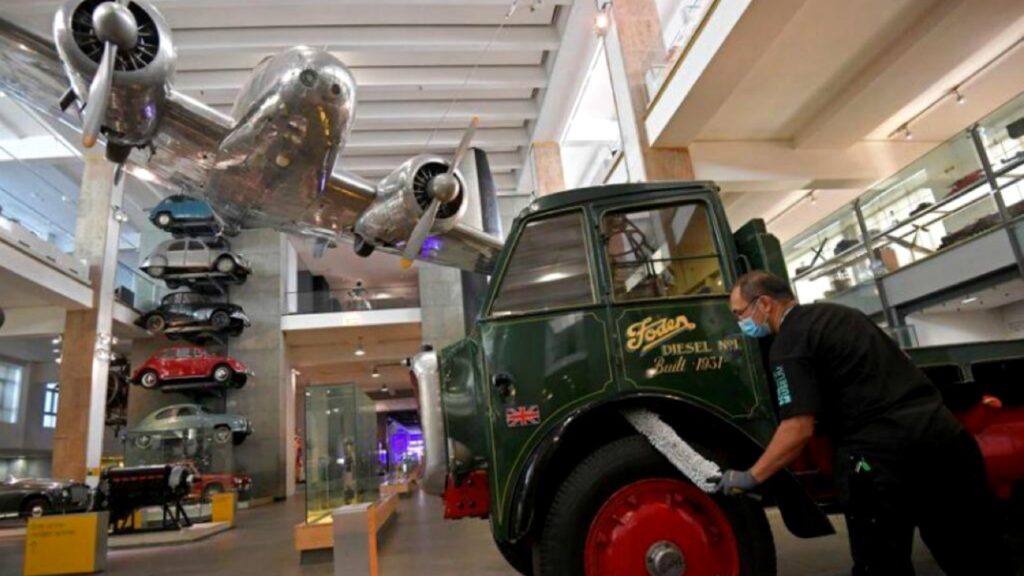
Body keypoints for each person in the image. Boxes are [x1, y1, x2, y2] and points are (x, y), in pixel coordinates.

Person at [714, 270, 1013, 576]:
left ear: (764, 304)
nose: (741, 324)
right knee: (977, 552)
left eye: (740, 313)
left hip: (880, 458)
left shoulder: (789, 344)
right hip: (945, 438)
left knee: (880, 564)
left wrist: (752, 476)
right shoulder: (844, 315)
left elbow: (797, 428)